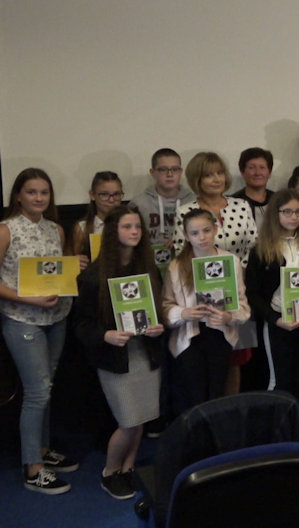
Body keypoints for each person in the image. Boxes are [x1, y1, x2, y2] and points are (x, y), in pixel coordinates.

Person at [75, 206, 165, 500]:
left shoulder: (148, 269)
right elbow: (82, 325)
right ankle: (109, 472)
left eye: (137, 226)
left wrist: (159, 326)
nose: (135, 232)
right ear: (113, 232)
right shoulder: (92, 277)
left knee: (142, 418)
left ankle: (128, 468)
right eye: (127, 227)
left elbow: (158, 312)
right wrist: (106, 335)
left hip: (145, 354)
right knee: (129, 421)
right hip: (116, 359)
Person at [0, 168, 77, 494]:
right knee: (37, 392)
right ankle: (33, 468)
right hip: (22, 319)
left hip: (56, 317)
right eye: (31, 192)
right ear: (18, 195)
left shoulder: (55, 229)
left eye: (44, 192)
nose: (39, 198)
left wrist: (73, 269)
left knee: (48, 385)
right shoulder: (6, 230)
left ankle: (43, 450)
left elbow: (56, 272)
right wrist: (26, 298)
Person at [172, 152, 258, 393]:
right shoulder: (186, 211)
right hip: (204, 299)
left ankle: (232, 408)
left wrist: (240, 273)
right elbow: (181, 255)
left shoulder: (241, 205)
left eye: (220, 173)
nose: (216, 179)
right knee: (211, 362)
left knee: (236, 357)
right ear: (197, 179)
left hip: (239, 291)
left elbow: (253, 244)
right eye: (209, 175)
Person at [245, 190, 299, 412]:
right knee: (280, 380)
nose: (294, 217)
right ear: (276, 214)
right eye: (288, 212)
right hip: (279, 322)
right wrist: (275, 319)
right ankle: (279, 428)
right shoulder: (261, 250)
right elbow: (253, 293)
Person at [162, 208, 250, 410]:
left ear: (215, 230)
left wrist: (229, 316)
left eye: (206, 230)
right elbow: (165, 307)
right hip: (189, 338)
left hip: (220, 335)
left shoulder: (231, 261)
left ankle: (214, 430)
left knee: (216, 394)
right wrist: (183, 313)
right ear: (186, 236)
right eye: (194, 233)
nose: (201, 237)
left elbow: (242, 304)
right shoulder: (177, 266)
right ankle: (196, 430)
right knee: (194, 397)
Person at [129, 148, 195, 248]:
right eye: (163, 169)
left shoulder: (193, 202)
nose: (170, 174)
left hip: (185, 255)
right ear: (152, 172)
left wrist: (183, 239)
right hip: (149, 256)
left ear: (181, 172)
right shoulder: (138, 204)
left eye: (175, 169)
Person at [72, 171, 124, 268]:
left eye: (116, 194)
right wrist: (76, 263)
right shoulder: (83, 228)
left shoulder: (130, 224)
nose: (111, 200)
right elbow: (75, 260)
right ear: (92, 195)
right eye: (104, 194)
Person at [231, 147, 275, 229]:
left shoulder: (279, 200)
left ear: (270, 172)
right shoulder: (232, 203)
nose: (257, 173)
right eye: (251, 167)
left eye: (262, 167)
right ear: (242, 172)